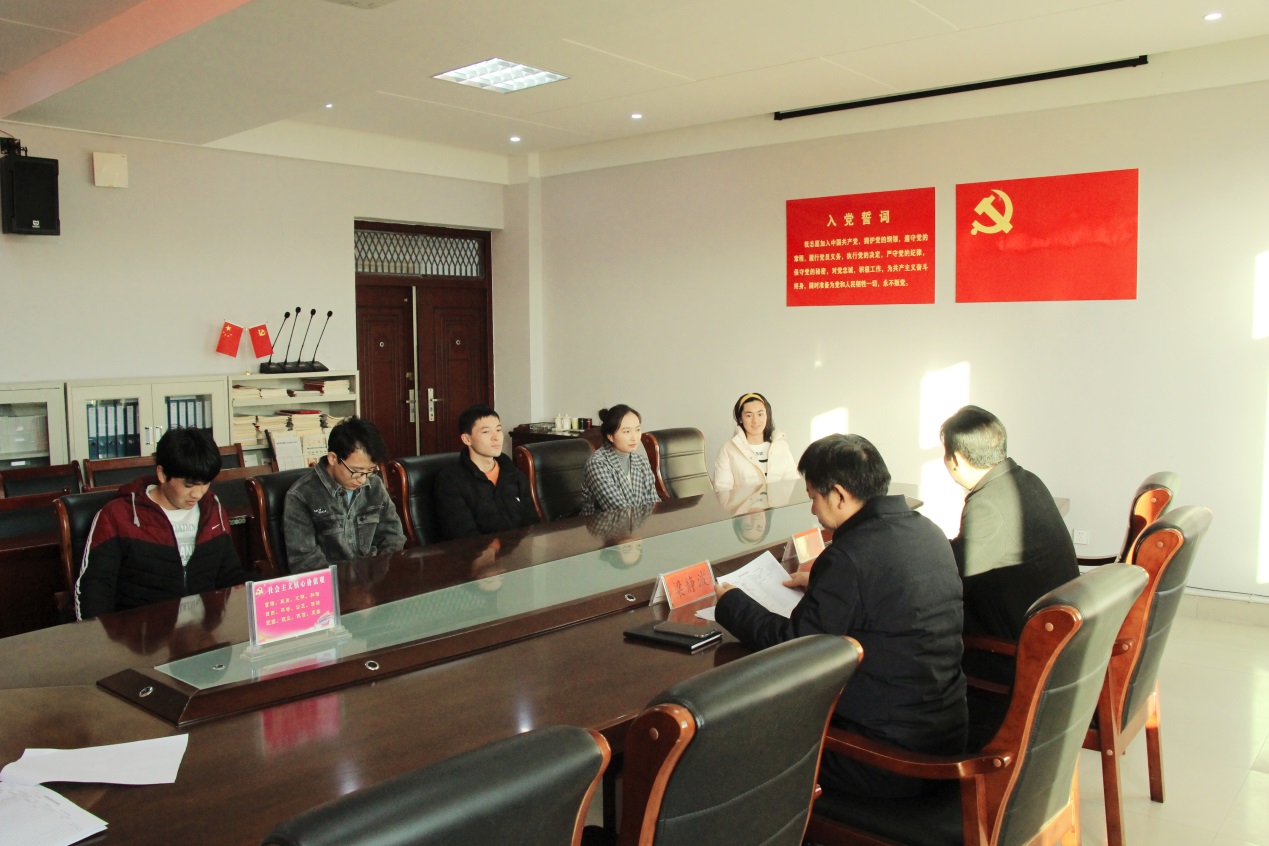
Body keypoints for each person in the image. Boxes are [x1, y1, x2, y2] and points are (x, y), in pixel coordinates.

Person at [714, 433, 965, 799]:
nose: (813, 510)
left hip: (886, 758)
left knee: (737, 740)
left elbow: (795, 648)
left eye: (814, 497)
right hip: (945, 736)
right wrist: (822, 584)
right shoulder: (928, 530)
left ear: (839, 495)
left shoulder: (848, 556)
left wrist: (732, 603)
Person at [75, 428, 246, 620]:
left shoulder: (212, 509)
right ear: (162, 474)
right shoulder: (119, 515)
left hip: (203, 632)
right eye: (188, 485)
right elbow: (95, 588)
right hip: (141, 633)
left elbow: (231, 576)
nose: (198, 494)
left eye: (205, 483)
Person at [941, 405, 1078, 640]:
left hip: (1024, 643)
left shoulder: (987, 504)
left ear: (956, 459)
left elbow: (953, 578)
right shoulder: (1026, 479)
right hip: (1059, 623)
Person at [283, 416, 405, 572]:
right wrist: (345, 583)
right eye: (357, 471)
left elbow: (393, 536)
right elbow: (304, 560)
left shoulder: (374, 485)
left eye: (370, 471)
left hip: (374, 576)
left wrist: (381, 574)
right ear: (333, 458)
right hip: (332, 581)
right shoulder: (301, 495)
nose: (362, 480)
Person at [433, 405, 539, 540]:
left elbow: (532, 523)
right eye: (486, 432)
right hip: (479, 551)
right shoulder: (451, 481)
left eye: (498, 430)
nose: (496, 437)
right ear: (467, 439)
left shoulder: (513, 474)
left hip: (520, 550)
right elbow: (463, 536)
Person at [579, 404, 659, 515]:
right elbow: (619, 510)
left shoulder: (641, 462)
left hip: (639, 523)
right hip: (603, 525)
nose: (634, 437)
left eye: (637, 430)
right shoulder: (597, 464)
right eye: (626, 431)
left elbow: (653, 504)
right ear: (610, 436)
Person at [712, 392, 799, 489]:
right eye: (749, 415)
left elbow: (792, 482)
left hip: (779, 499)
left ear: (767, 416)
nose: (755, 420)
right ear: (740, 419)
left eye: (760, 414)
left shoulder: (781, 446)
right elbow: (722, 489)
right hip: (743, 500)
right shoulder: (728, 449)